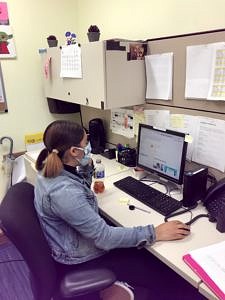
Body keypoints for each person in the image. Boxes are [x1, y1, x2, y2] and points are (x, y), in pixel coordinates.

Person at [34, 120, 198, 300]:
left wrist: (87, 165)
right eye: (85, 143)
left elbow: (78, 188)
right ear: (73, 152)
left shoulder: (50, 169)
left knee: (145, 252)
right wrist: (155, 232)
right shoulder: (64, 192)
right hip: (81, 259)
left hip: (73, 242)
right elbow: (104, 238)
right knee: (162, 272)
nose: (88, 146)